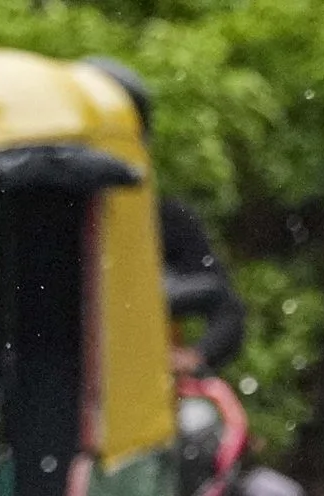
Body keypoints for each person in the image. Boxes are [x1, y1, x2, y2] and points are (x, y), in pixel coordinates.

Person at [79, 58, 247, 374]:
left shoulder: (168, 220)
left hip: (139, 384)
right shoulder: (26, 212)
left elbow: (226, 306)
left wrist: (198, 357)